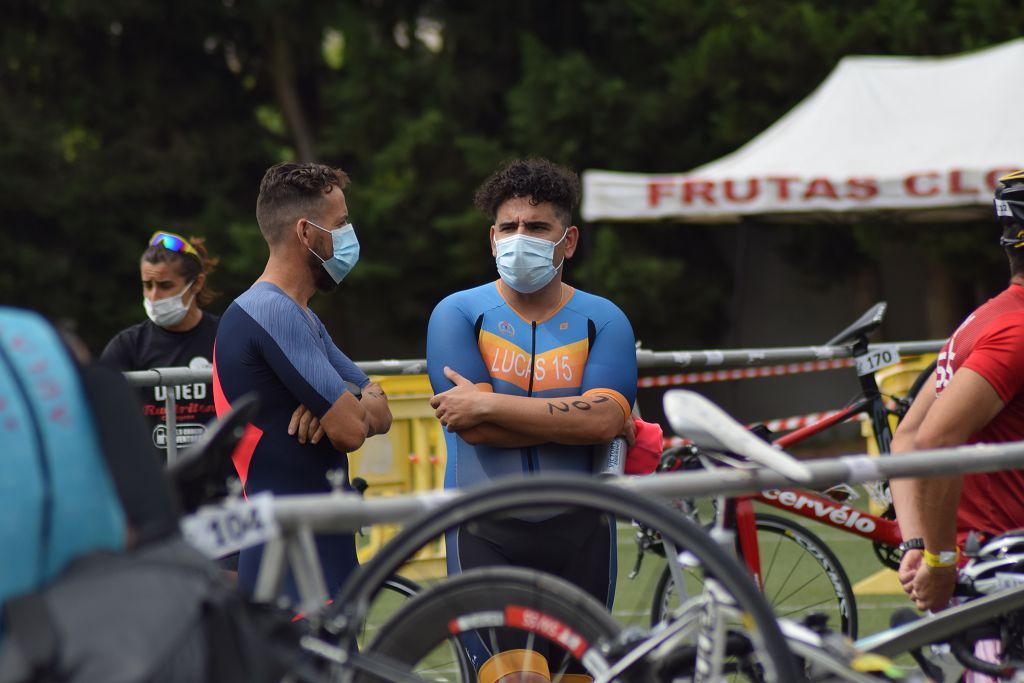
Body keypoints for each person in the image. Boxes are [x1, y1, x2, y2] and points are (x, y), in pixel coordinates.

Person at [426, 158, 637, 680]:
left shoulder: (604, 317)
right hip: (485, 532)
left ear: (567, 241)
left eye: (537, 227)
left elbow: (603, 422)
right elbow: (471, 428)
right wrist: (579, 415)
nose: (521, 238)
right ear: (492, 238)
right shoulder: (456, 313)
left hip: (583, 532)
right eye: (510, 227)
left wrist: (489, 402)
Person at [213, 161, 391, 600]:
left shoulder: (302, 316)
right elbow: (351, 432)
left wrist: (343, 401)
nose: (350, 235)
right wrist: (348, 407)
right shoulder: (272, 312)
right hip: (290, 559)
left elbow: (379, 409)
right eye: (342, 224)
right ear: (305, 233)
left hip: (317, 543)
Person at [892, 170, 1024, 613]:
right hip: (1000, 570)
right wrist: (938, 561)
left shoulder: (988, 317)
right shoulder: (1017, 332)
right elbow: (933, 441)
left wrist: (915, 543)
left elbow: (908, 435)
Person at [100, 231, 220, 464]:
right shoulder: (127, 345)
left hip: (220, 485)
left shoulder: (225, 337)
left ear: (197, 284)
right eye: (148, 285)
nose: (154, 296)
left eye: (165, 285)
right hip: (157, 485)